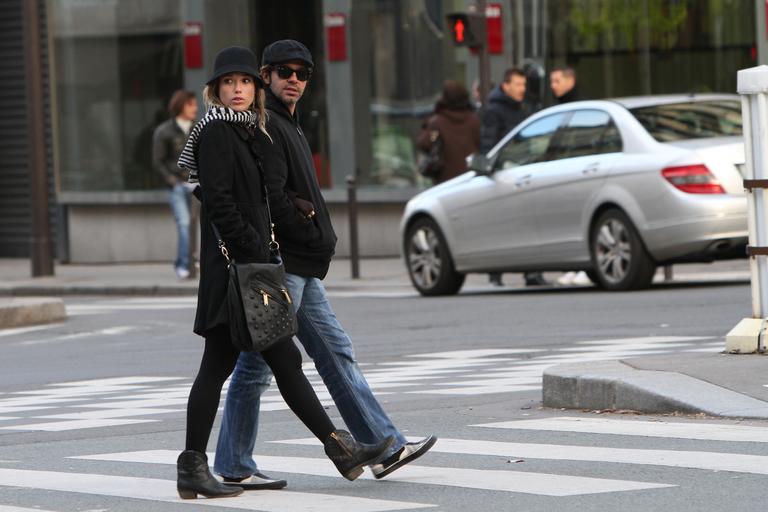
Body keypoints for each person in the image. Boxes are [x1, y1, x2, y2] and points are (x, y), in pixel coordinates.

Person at [213, 39, 437, 490]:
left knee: (335, 351)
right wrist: (307, 227)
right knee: (256, 365)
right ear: (266, 76)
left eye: (302, 73)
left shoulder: (288, 123)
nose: (294, 79)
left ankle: (384, 445)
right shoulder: (267, 125)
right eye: (284, 72)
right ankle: (233, 463)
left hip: (304, 265)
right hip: (285, 263)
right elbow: (271, 197)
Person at [175, 45, 393, 500]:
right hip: (236, 272)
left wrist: (287, 213)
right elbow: (219, 200)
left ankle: (339, 448)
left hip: (249, 268)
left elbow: (255, 197)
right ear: (215, 90)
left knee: (273, 362)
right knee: (222, 369)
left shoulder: (249, 132)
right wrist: (257, 251)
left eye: (244, 83)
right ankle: (198, 465)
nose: (237, 90)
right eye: (229, 84)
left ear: (254, 88)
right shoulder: (216, 131)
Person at [480, 68, 547, 287]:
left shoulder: (522, 109)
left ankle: (532, 272)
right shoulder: (494, 111)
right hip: (503, 174)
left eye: (524, 85)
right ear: (506, 85)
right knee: (501, 224)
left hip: (522, 172)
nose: (522, 89)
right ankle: (495, 272)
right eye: (518, 85)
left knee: (527, 222)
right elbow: (489, 144)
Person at [549, 66, 591, 286]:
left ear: (570, 81)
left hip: (576, 170)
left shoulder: (577, 107)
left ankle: (583, 267)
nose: (552, 85)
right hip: (566, 169)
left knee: (577, 217)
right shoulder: (562, 107)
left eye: (557, 80)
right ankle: (573, 267)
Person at [153, 90, 199, 279]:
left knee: (194, 224)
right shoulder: (164, 131)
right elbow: (158, 160)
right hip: (177, 186)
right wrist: (172, 181)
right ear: (180, 105)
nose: (195, 108)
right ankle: (183, 264)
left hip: (195, 184)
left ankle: (190, 263)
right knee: (184, 223)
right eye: (191, 104)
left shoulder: (199, 128)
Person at [416, 80, 480, 185]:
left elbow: (425, 143)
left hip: (445, 179)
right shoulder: (474, 121)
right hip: (469, 177)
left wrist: (435, 139)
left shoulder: (437, 123)